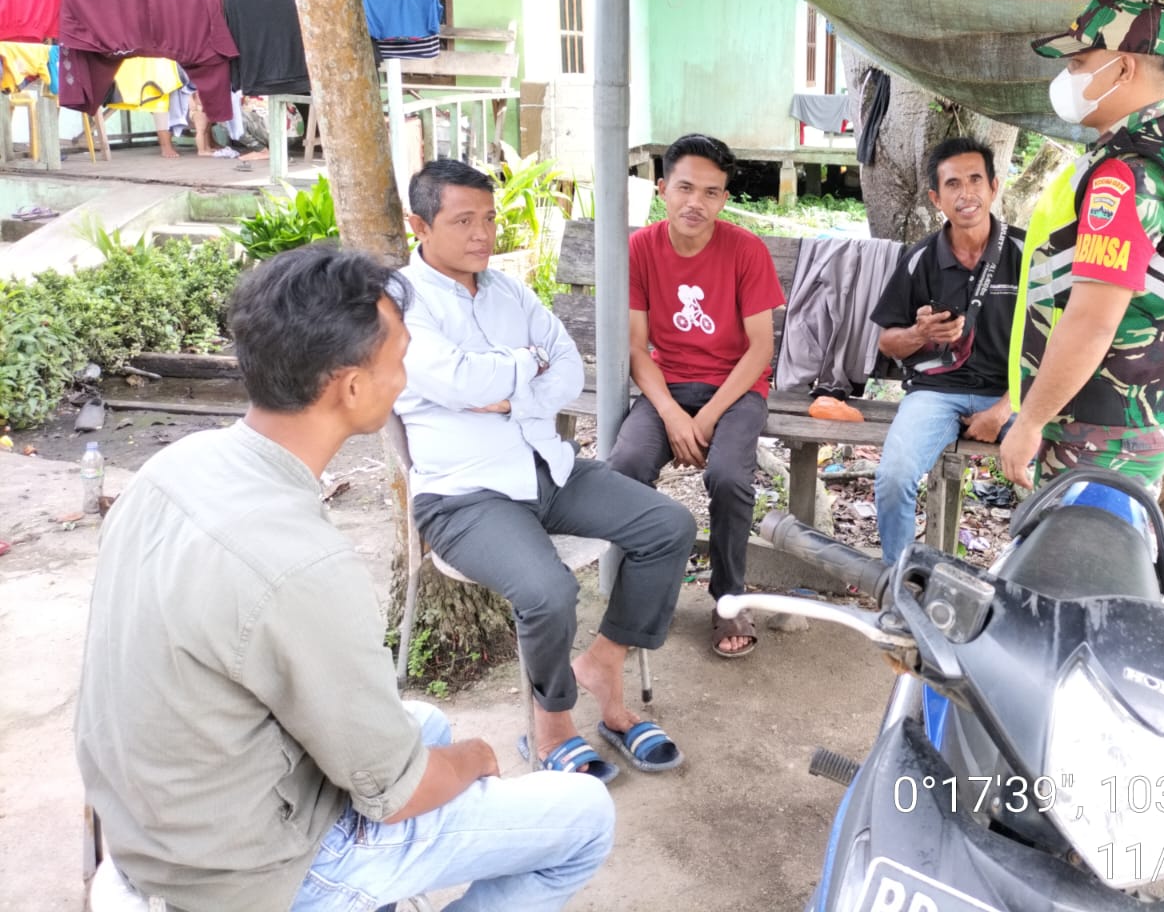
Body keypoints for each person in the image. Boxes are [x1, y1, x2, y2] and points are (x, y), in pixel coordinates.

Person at [76, 245, 614, 912]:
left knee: (425, 725)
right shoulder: (304, 565)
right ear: (351, 388)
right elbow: (396, 795)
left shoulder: (174, 469)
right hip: (245, 871)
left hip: (154, 818)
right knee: (583, 815)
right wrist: (477, 760)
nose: (407, 375)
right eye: (400, 358)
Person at [396, 160, 696, 780]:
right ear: (418, 225)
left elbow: (568, 372)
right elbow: (452, 380)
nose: (483, 234)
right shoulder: (398, 303)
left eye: (489, 218)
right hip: (464, 495)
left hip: (549, 469)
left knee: (668, 525)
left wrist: (507, 386)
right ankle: (551, 722)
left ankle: (604, 662)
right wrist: (523, 367)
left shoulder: (509, 291)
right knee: (548, 591)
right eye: (463, 221)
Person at [999, 0, 1164, 492]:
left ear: (1122, 70)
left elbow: (1093, 320)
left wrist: (1030, 421)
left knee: (1073, 564)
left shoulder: (1127, 176)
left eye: (1079, 63)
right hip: (1132, 411)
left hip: (1103, 429)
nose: (1067, 78)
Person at [609, 134, 786, 658]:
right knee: (625, 466)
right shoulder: (641, 248)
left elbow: (759, 352)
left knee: (729, 476)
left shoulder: (745, 250)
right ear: (663, 188)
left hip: (734, 391)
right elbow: (637, 348)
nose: (696, 202)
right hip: (667, 385)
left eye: (711, 192)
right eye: (685, 187)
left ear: (725, 199)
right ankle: (637, 591)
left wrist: (704, 419)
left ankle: (729, 599)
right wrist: (669, 413)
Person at [869, 136, 1025, 560]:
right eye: (953, 184)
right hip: (936, 393)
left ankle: (1025, 587)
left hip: (1014, 395)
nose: (967, 192)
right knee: (893, 476)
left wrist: (1003, 410)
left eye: (976, 179)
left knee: (1047, 477)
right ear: (937, 199)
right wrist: (920, 335)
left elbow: (1055, 346)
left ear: (995, 186)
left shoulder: (1027, 255)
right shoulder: (920, 259)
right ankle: (899, 583)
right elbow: (887, 341)